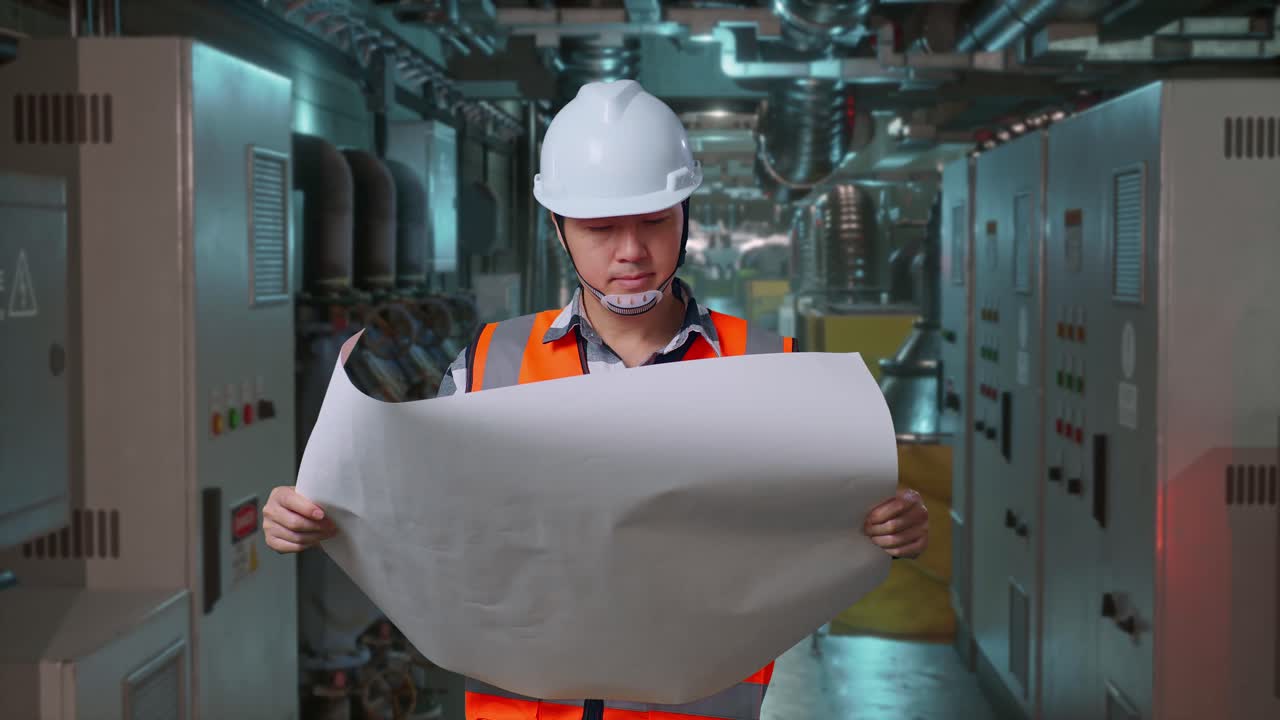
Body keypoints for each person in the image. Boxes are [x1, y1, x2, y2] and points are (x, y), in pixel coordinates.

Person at [265, 79, 930, 720]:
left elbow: (818, 527)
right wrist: (326, 520)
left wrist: (882, 529)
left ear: (685, 215)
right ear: (559, 229)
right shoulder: (489, 364)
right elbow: (422, 523)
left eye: (654, 221)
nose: (631, 252)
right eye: (600, 228)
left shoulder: (769, 371)